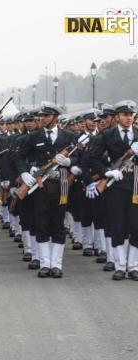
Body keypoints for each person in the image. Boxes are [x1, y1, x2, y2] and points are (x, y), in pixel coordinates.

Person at [16, 101, 77, 278]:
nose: (42, 119)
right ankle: (44, 264)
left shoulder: (68, 137)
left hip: (61, 186)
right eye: (41, 116)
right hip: (40, 187)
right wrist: (25, 172)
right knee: (41, 223)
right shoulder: (33, 137)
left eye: (46, 116)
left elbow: (80, 158)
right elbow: (18, 158)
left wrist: (70, 162)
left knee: (58, 224)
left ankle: (56, 265)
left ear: (55, 118)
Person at [89, 100, 138, 281]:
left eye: (130, 115)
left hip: (135, 186)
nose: (128, 118)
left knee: (136, 226)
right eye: (124, 115)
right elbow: (92, 158)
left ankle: (133, 266)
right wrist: (106, 171)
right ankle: (119, 266)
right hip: (115, 186)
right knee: (117, 226)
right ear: (117, 117)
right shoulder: (107, 136)